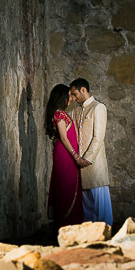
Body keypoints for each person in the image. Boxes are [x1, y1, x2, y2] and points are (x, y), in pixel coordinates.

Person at [69, 78, 113, 225]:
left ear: (83, 90)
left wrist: (87, 158)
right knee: (86, 209)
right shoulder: (75, 111)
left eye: (75, 94)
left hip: (94, 164)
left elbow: (98, 137)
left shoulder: (98, 108)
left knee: (102, 209)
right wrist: (76, 159)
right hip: (79, 165)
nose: (73, 98)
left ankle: (109, 238)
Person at [44, 83, 87, 230]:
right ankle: (66, 225)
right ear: (61, 97)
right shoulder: (59, 115)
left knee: (69, 186)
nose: (70, 100)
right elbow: (64, 138)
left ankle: (72, 224)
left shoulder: (60, 114)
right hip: (65, 156)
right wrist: (76, 157)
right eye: (68, 96)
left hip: (66, 154)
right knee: (65, 187)